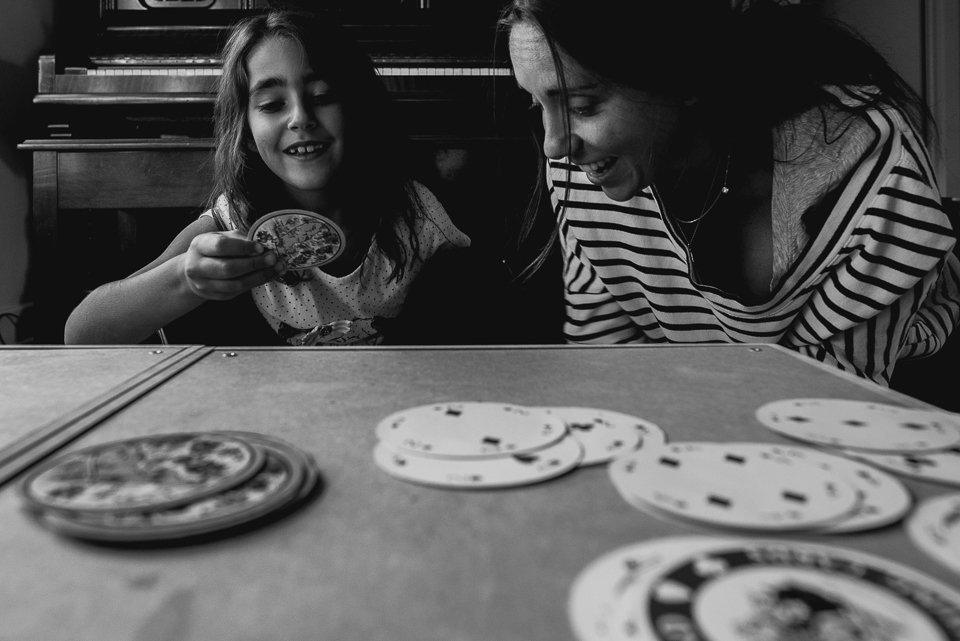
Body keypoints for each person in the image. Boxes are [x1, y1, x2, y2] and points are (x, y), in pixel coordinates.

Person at [502, 0, 960, 385]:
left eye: (583, 105)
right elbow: (607, 373)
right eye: (537, 103)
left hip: (900, 397)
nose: (554, 145)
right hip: (691, 410)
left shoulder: (870, 170)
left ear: (680, 77)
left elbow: (834, 408)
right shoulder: (581, 173)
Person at [64, 8, 469, 347]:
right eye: (273, 104)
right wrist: (185, 278)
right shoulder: (234, 222)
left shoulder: (415, 213)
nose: (301, 118)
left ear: (359, 108)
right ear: (247, 132)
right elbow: (81, 334)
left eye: (323, 96)